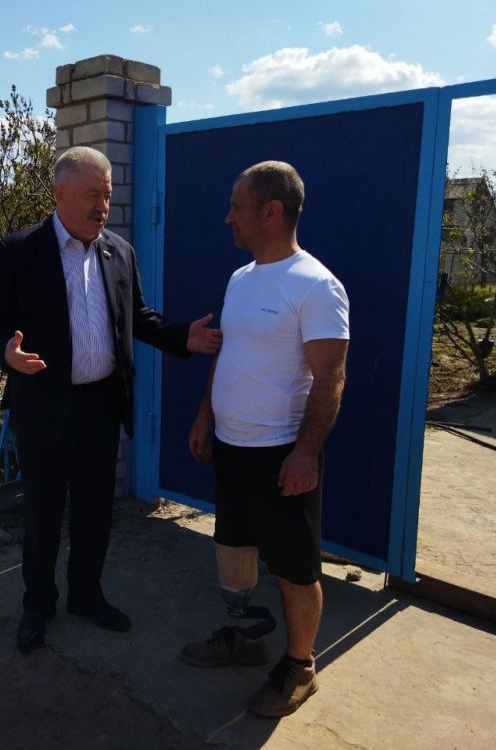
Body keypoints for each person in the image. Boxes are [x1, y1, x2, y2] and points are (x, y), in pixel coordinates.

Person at [0, 145, 222, 653]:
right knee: (43, 513)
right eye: (93, 195)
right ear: (60, 193)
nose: (103, 206)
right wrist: (6, 352)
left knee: (94, 510)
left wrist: (183, 338)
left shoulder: (118, 252)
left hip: (101, 408)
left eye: (107, 196)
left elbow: (139, 317)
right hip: (44, 406)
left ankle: (86, 595)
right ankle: (37, 604)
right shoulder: (18, 252)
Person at [184, 161, 349, 717]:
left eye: (237, 206)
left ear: (271, 212)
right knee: (234, 552)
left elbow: (330, 378)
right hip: (231, 448)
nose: (228, 217)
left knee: (294, 569)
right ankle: (245, 636)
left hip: (281, 455)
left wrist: (305, 453)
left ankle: (301, 667)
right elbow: (226, 354)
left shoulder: (316, 285)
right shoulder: (241, 278)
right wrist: (205, 416)